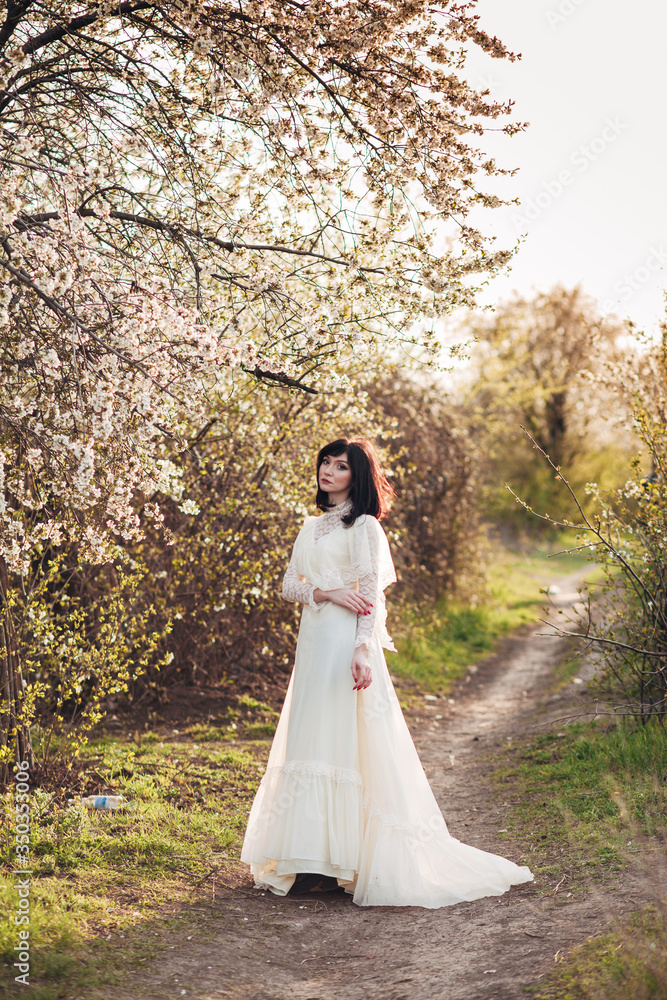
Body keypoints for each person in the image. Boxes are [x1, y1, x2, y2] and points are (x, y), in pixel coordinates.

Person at [241, 437, 533, 907]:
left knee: (346, 739)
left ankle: (347, 861)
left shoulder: (366, 527)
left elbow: (372, 595)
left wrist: (362, 649)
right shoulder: (311, 526)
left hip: (345, 646)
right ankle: (309, 859)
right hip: (314, 645)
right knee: (310, 735)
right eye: (325, 463)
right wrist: (330, 593)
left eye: (340, 466)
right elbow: (289, 585)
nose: (329, 471)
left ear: (357, 475)